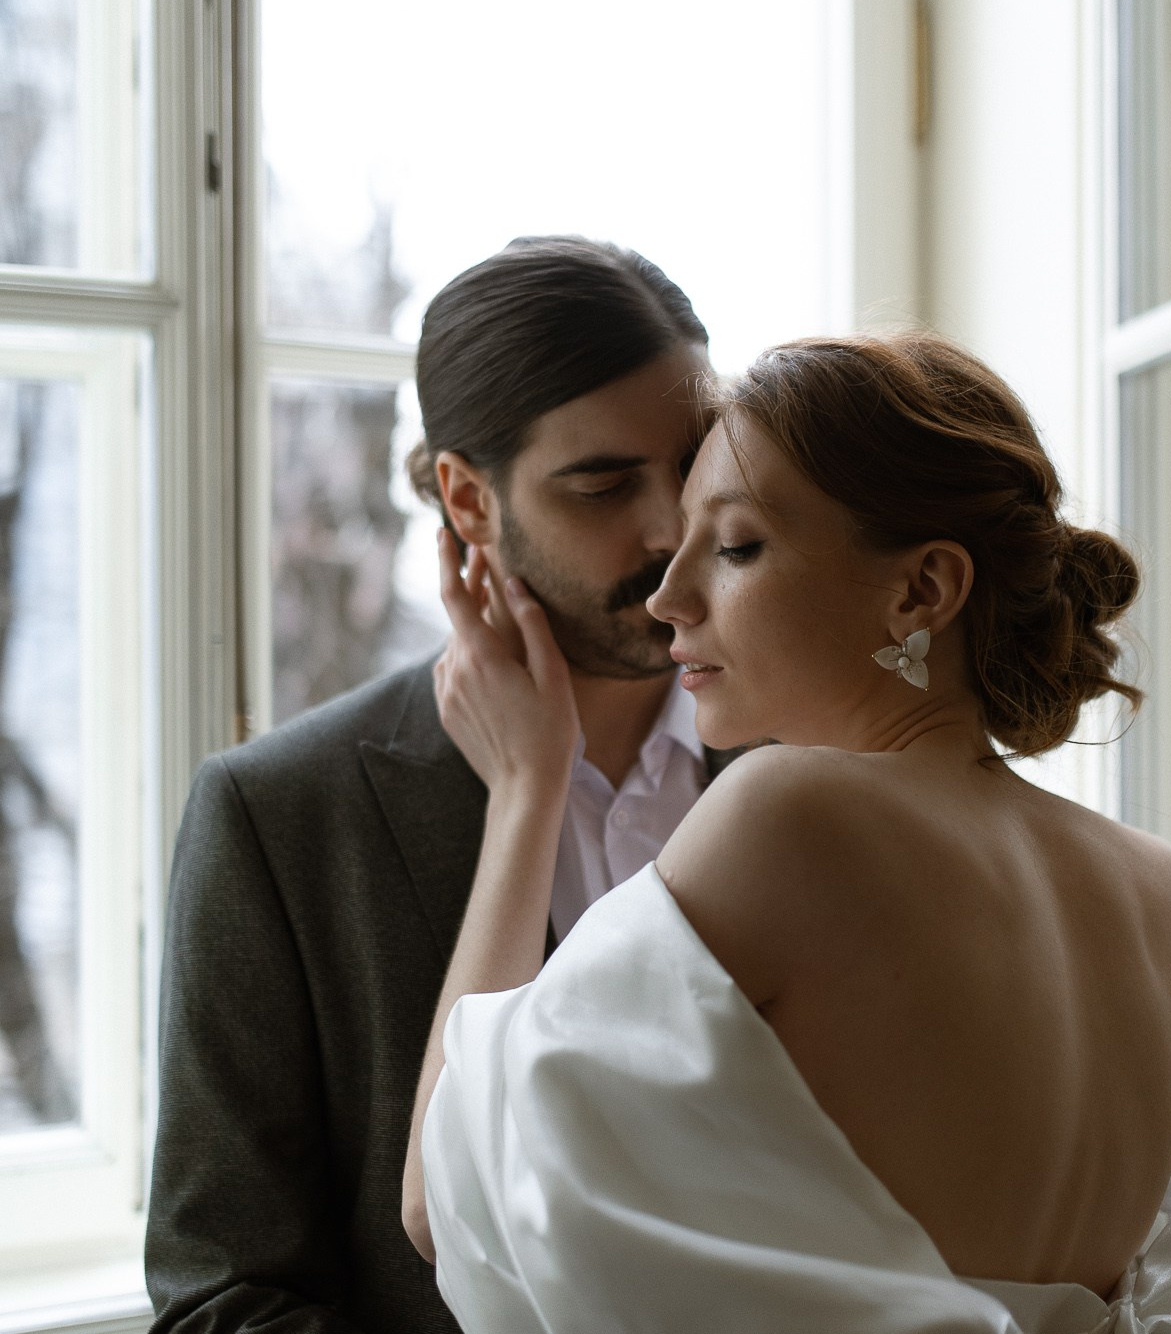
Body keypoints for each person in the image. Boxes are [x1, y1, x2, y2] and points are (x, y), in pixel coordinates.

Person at [405, 332, 1171, 1332]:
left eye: (736, 546)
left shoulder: (787, 816)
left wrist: (527, 787)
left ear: (921, 590)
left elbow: (445, 1200)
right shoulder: (1157, 885)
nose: (668, 597)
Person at [146, 236, 734, 1334]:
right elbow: (224, 1302)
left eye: (698, 464)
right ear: (468, 499)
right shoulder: (277, 818)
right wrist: (531, 793)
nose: (675, 528)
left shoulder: (818, 757)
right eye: (604, 484)